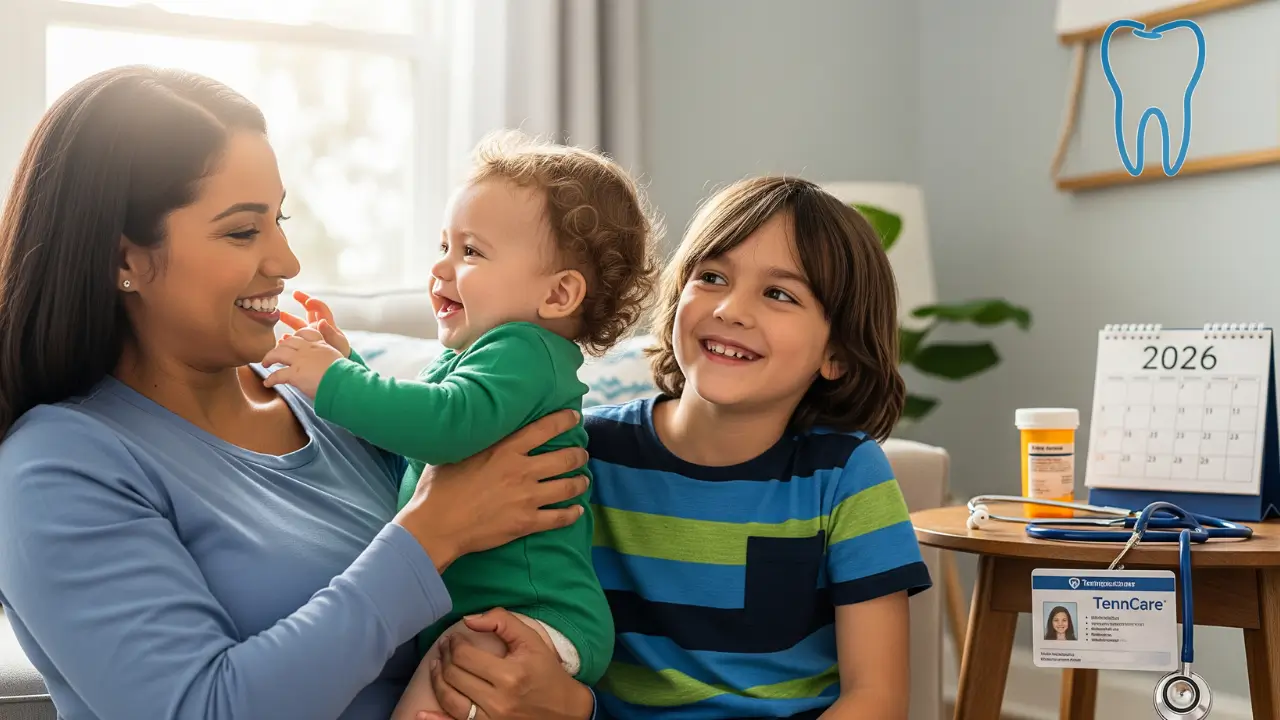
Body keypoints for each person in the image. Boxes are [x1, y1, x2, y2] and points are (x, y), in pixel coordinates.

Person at [0, 65, 591, 720]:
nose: (286, 261)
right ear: (124, 261)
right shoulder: (57, 467)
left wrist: (566, 704)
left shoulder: (328, 400)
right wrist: (434, 531)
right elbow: (204, 709)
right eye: (242, 230)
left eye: (278, 220)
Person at [422, 176, 935, 719]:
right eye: (711, 277)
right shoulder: (578, 450)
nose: (732, 309)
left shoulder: (845, 472)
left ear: (837, 354)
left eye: (779, 293)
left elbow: (875, 699)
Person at [262, 130, 659, 717]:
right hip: (493, 613)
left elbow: (442, 426)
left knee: (450, 678)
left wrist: (332, 381)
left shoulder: (524, 351)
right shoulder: (482, 358)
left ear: (559, 294)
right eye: (444, 244)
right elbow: (416, 421)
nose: (440, 267)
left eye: (470, 252)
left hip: (528, 615)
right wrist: (347, 363)